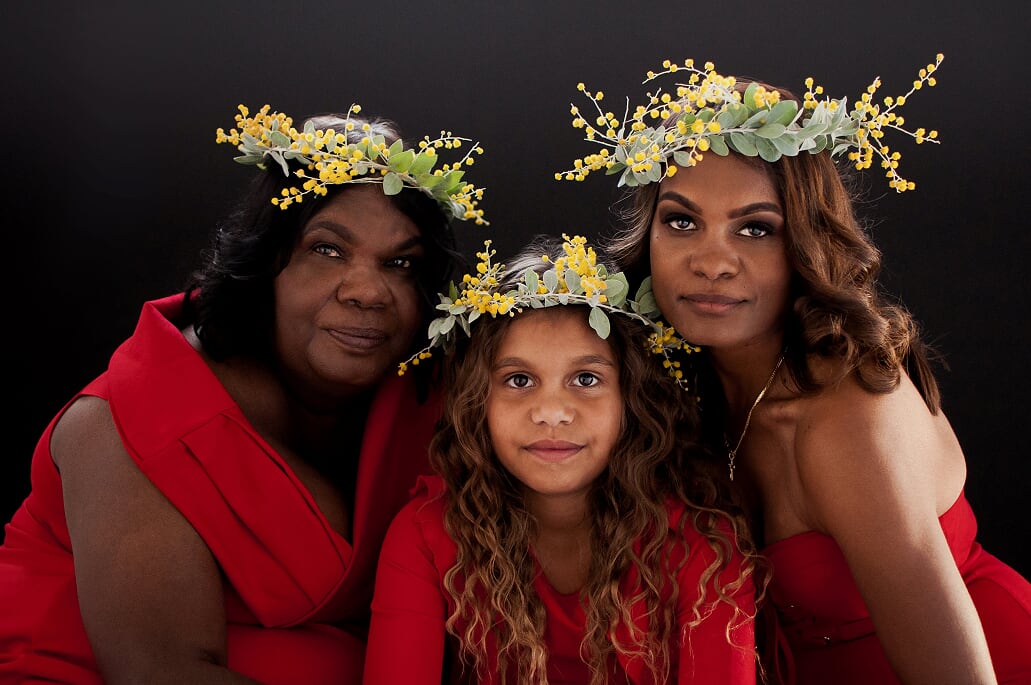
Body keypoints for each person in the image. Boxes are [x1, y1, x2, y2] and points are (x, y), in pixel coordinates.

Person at [558, 57, 1031, 684]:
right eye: (681, 221)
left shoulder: (847, 423)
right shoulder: (672, 390)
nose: (712, 261)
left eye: (755, 229)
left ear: (805, 243)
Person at [0, 103, 487, 684]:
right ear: (265, 265)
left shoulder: (430, 401)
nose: (368, 291)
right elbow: (162, 674)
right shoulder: (128, 421)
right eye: (327, 250)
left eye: (401, 263)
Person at [363, 235, 761, 685]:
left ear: (631, 400)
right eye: (518, 380)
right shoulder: (427, 535)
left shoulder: (701, 544)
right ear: (479, 402)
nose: (551, 412)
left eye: (586, 378)